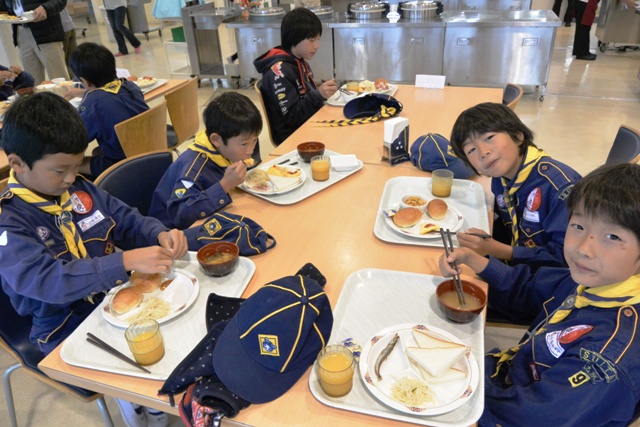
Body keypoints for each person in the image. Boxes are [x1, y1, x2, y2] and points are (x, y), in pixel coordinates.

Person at [0, 91, 186, 427]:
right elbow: (48, 281)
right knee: (137, 359)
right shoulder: (9, 223)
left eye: (76, 166)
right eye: (60, 170)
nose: (71, 178)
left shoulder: (77, 191)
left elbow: (125, 219)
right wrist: (123, 262)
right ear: (17, 164)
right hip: (61, 324)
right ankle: (135, 403)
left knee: (177, 323)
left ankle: (150, 398)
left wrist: (158, 233)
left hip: (109, 298)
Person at [439, 163, 640, 426]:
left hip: (504, 411)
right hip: (505, 379)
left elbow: (529, 417)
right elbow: (528, 288)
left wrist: (455, 389)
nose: (583, 249)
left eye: (612, 236)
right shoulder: (597, 279)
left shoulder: (608, 355)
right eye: (578, 226)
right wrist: (474, 260)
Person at [450, 102, 581, 269]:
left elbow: (567, 258)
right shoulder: (501, 177)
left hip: (551, 278)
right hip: (518, 267)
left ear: (518, 136)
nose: (483, 152)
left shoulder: (559, 188)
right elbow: (508, 226)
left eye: (489, 138)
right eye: (471, 150)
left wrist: (499, 250)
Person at [149, 92, 262, 229]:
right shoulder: (194, 168)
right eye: (244, 144)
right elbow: (180, 216)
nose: (251, 150)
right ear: (216, 140)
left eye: (255, 140)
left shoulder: (229, 147)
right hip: (171, 233)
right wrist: (224, 185)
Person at [253, 7, 337, 146]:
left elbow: (306, 94)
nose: (317, 46)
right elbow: (292, 117)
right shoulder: (278, 73)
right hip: (293, 136)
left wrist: (322, 93)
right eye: (311, 40)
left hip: (309, 123)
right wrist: (318, 95)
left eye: (318, 39)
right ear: (294, 38)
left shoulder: (299, 60)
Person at [69, 42, 149, 178]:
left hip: (121, 165)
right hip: (152, 151)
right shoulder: (131, 86)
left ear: (84, 81)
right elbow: (109, 96)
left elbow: (73, 141)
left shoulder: (93, 104)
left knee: (69, 165)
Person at [0, 0, 69, 85]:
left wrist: (45, 8)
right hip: (20, 31)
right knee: (32, 81)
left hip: (46, 31)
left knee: (58, 78)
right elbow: (3, 7)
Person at [59, 8, 77, 77]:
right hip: (69, 25)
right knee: (73, 60)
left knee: (63, 63)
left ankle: (74, 80)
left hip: (61, 29)